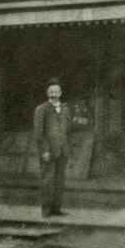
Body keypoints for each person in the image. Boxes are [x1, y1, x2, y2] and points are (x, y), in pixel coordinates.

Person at [33, 78, 72, 218]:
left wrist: (68, 148)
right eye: (50, 92)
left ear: (60, 93)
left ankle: (56, 208)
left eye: (56, 91)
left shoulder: (66, 109)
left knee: (60, 181)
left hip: (63, 150)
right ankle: (46, 210)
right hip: (48, 151)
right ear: (47, 93)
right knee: (48, 180)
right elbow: (38, 133)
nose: (53, 94)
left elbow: (68, 130)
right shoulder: (41, 109)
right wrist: (44, 150)